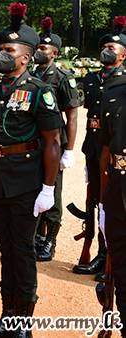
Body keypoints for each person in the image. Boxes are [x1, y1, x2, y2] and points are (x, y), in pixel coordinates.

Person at [0, 3, 62, 338]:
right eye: (0, 49)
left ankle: (22, 324)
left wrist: (48, 189)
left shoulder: (39, 91)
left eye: (8, 50)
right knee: (5, 249)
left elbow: (53, 142)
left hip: (27, 182)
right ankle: (6, 316)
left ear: (25, 57)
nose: (2, 54)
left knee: (23, 250)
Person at [75, 16, 126, 277]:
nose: (107, 51)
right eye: (104, 47)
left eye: (113, 48)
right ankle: (102, 253)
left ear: (124, 55)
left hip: (114, 149)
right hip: (93, 148)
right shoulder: (92, 79)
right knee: (98, 202)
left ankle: (114, 257)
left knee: (113, 204)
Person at [32, 17, 79, 262]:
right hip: (33, 140)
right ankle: (37, 235)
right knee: (34, 185)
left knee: (53, 188)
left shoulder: (63, 77)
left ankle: (50, 239)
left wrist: (69, 149)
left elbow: (71, 115)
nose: (38, 52)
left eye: (42, 48)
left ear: (54, 52)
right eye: (36, 48)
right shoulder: (29, 75)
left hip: (54, 141)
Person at [97, 19, 126, 323]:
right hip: (118, 190)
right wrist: (105, 200)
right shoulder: (114, 92)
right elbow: (106, 152)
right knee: (119, 263)